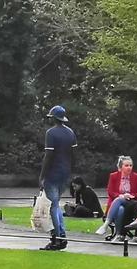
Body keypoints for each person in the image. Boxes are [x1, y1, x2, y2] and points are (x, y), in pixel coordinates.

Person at [38, 104, 77, 251]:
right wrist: (70, 172)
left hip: (53, 173)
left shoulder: (51, 133)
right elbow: (74, 155)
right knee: (56, 204)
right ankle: (61, 235)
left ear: (54, 118)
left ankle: (58, 237)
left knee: (53, 206)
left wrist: (42, 176)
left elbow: (48, 156)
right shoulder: (70, 133)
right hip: (65, 173)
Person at [99, 156, 137, 239]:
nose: (129, 167)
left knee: (120, 200)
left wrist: (130, 195)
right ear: (121, 167)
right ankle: (119, 234)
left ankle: (106, 224)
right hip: (116, 203)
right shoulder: (113, 176)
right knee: (120, 209)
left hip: (131, 202)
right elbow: (110, 192)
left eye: (130, 165)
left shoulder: (136, 177)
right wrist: (120, 196)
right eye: (126, 165)